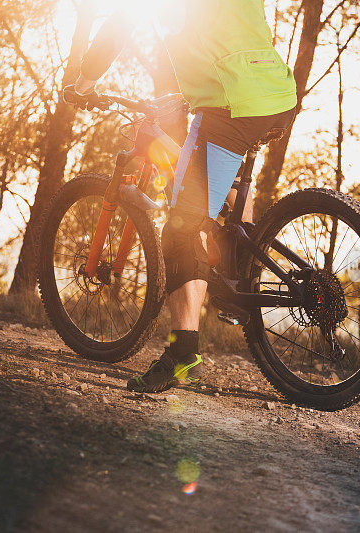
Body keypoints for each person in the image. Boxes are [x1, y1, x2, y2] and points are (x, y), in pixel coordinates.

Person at [63, 0, 297, 393]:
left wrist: (84, 85)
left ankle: (182, 352)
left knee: (180, 229)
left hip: (230, 104)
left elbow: (121, 25)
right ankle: (241, 280)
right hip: (277, 94)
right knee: (224, 184)